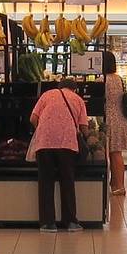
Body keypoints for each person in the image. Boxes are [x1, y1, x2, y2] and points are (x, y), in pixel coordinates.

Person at [28, 78, 89, 232]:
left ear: (59, 87)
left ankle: (48, 223)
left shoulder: (47, 95)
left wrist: (44, 129)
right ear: (74, 89)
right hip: (67, 143)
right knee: (67, 181)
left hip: (44, 143)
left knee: (46, 182)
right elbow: (84, 128)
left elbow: (33, 118)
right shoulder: (78, 100)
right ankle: (71, 222)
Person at [102, 51, 127, 195]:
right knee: (116, 153)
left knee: (113, 154)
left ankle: (119, 186)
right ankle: (116, 184)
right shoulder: (119, 79)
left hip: (110, 120)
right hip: (121, 119)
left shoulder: (103, 80)